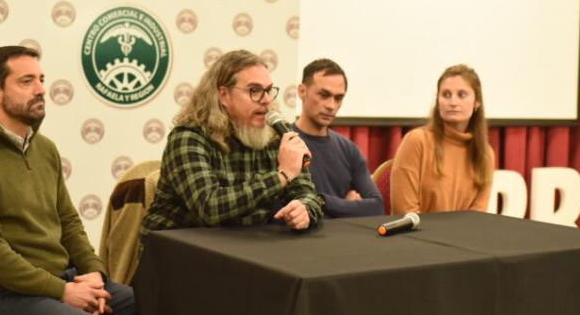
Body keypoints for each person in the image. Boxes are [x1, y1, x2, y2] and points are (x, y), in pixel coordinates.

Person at [0, 46, 136, 315]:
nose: (41, 90)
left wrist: (93, 271)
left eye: (41, 80)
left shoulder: (45, 149)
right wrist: (63, 292)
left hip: (58, 280)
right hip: (1, 295)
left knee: (140, 300)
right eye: (26, 81)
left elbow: (68, 221)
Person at [140, 49, 323, 236]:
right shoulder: (189, 137)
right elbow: (209, 208)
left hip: (245, 246)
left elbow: (307, 193)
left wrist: (304, 209)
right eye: (255, 91)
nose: (267, 100)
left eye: (268, 90)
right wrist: (280, 177)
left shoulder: (277, 134)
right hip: (177, 249)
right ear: (224, 95)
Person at [390, 64, 494, 214]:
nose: (453, 102)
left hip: (461, 237)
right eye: (446, 94)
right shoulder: (416, 141)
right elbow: (405, 211)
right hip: (413, 236)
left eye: (462, 95)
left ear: (477, 102)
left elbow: (477, 218)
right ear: (438, 102)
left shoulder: (486, 155)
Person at [292, 59, 384, 217]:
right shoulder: (282, 142)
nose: (331, 105)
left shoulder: (349, 149)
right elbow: (284, 208)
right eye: (324, 95)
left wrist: (322, 201)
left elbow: (376, 207)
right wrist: (346, 205)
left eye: (338, 98)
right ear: (302, 91)